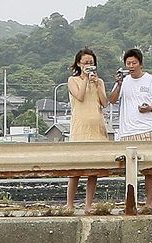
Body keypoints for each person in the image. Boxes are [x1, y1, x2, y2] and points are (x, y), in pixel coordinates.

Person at [106, 48, 152, 212]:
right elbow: (111, 100)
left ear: (140, 63)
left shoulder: (151, 80)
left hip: (146, 129)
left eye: (134, 63)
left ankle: (148, 203)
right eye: (128, 63)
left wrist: (151, 108)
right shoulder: (124, 81)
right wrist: (118, 84)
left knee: (148, 169)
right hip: (126, 131)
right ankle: (131, 203)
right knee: (129, 171)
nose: (131, 66)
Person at [64, 49, 109, 214]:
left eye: (91, 63)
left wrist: (97, 84)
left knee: (93, 170)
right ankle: (69, 204)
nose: (89, 66)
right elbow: (80, 97)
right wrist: (85, 80)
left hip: (97, 127)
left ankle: (88, 204)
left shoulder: (100, 82)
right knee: (75, 169)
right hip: (80, 128)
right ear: (78, 64)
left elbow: (104, 102)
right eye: (85, 63)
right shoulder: (72, 80)